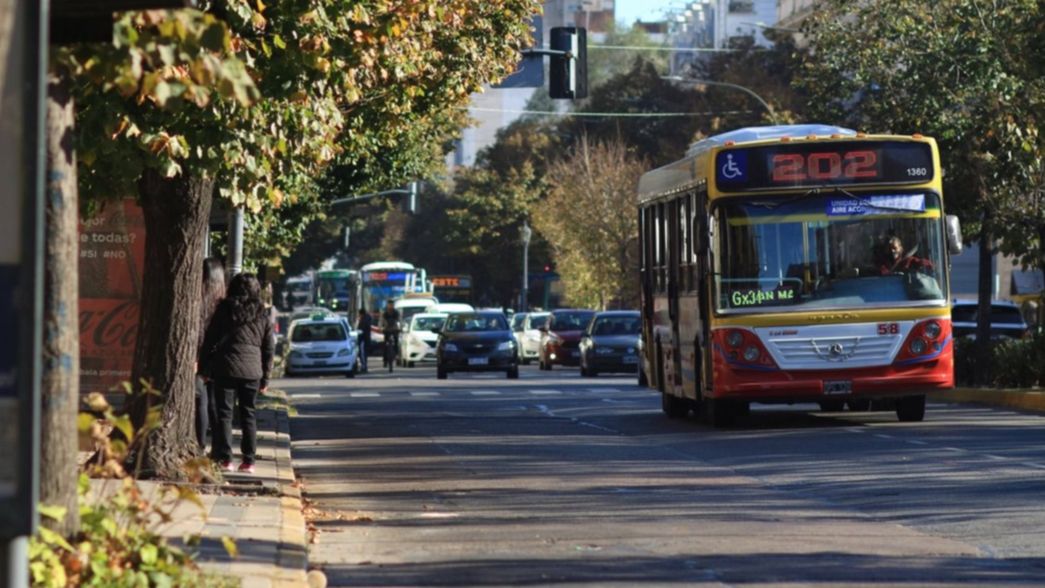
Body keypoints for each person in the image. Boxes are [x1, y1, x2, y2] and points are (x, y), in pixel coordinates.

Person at [201, 273, 274, 474]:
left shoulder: (223, 310)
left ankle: (226, 459)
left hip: (225, 367)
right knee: (248, 414)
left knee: (224, 414)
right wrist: (266, 377)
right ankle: (249, 461)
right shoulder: (262, 314)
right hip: (252, 371)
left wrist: (204, 369)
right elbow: (269, 348)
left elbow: (210, 340)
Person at [195, 257, 225, 451]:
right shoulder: (224, 303)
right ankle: (219, 447)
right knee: (216, 403)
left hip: (197, 358)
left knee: (201, 402)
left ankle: (200, 444)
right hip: (219, 358)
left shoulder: (195, 302)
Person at [378, 300, 401, 366]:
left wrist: (400, 327)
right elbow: (381, 321)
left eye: (392, 305)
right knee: (385, 344)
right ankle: (385, 360)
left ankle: (397, 357)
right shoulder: (384, 312)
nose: (391, 306)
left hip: (394, 329)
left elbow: (399, 320)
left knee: (396, 342)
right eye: (389, 304)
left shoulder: (396, 312)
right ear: (387, 305)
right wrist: (380, 328)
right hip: (386, 330)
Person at [356, 308, 372, 372]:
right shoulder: (367, 319)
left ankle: (364, 366)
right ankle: (364, 366)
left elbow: (361, 330)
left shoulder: (363, 320)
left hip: (363, 339)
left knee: (362, 353)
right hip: (366, 338)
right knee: (363, 354)